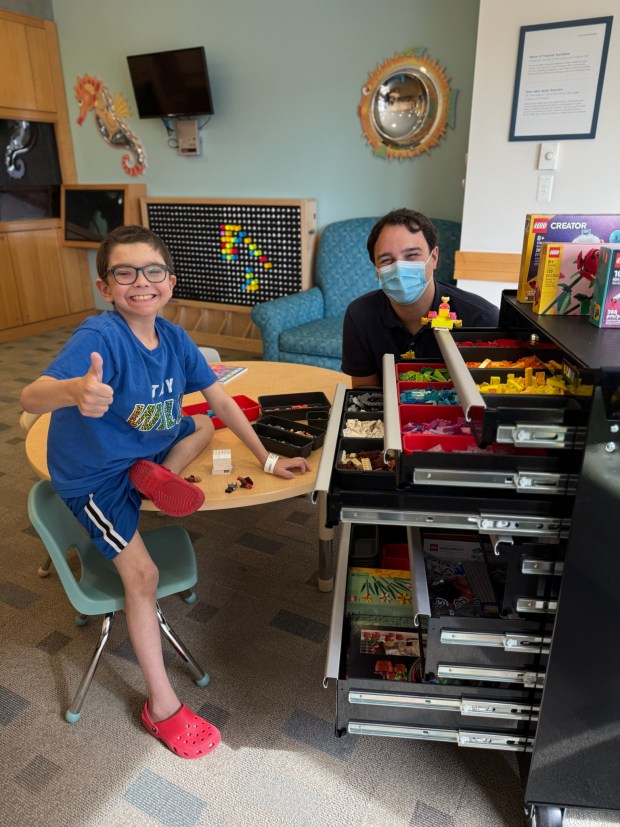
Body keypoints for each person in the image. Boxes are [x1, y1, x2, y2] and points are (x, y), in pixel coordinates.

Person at [20, 225, 310, 759]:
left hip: (141, 447)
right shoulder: (99, 335)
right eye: (124, 273)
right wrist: (73, 390)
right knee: (144, 576)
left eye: (152, 271)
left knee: (200, 425)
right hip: (95, 474)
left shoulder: (174, 338)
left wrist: (268, 458)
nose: (140, 282)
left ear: (170, 282)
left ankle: (159, 475)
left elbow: (221, 403)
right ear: (105, 287)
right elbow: (31, 395)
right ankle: (161, 706)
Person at [341, 208, 499, 387]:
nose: (399, 268)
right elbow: (364, 393)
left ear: (434, 258)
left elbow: (492, 394)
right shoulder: (360, 316)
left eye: (412, 255)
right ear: (377, 269)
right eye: (386, 260)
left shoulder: (483, 319)